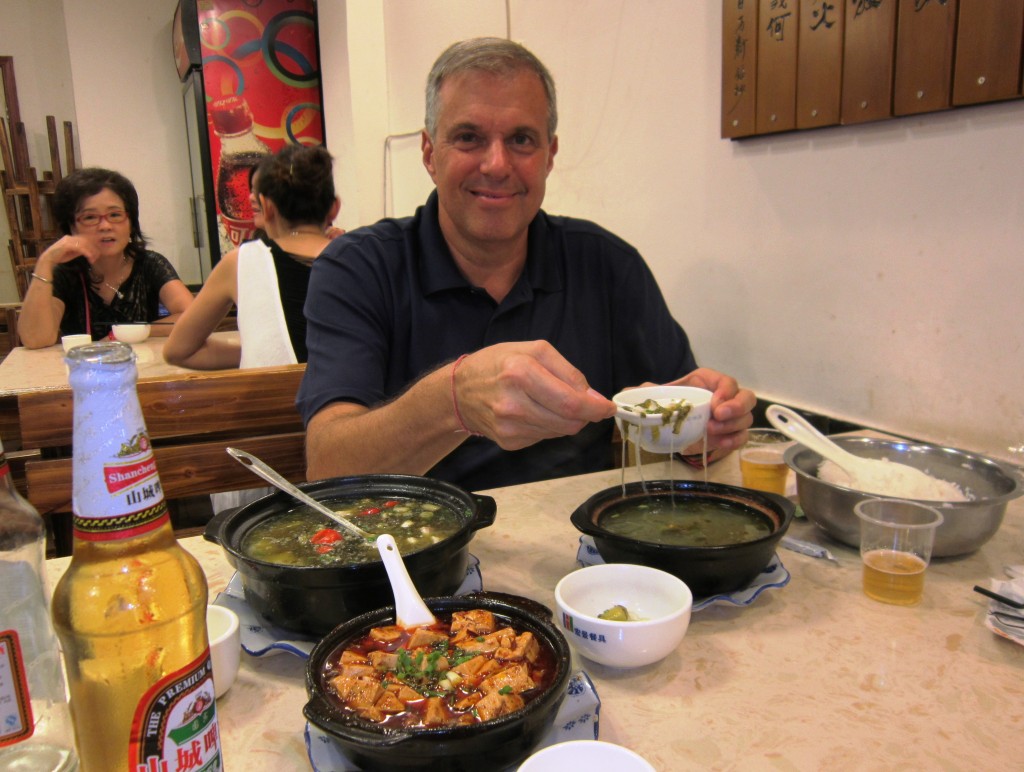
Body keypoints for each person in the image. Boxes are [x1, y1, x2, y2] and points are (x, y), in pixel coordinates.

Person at [298, 37, 755, 491]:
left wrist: (702, 429)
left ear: (550, 155)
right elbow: (328, 468)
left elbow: (670, 443)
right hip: (413, 550)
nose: (497, 165)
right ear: (429, 153)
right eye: (469, 137)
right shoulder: (359, 268)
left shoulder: (607, 264)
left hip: (581, 548)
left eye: (521, 139)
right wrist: (452, 401)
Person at [163, 144, 340, 369]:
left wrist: (258, 354)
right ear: (334, 208)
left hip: (276, 400)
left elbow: (178, 351)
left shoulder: (241, 263)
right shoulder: (362, 258)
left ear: (265, 207)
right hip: (365, 399)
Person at [18, 167, 193, 348]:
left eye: (115, 215)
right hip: (82, 372)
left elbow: (194, 319)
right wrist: (45, 262)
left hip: (143, 369)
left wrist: (121, 336)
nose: (105, 226)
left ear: (131, 222)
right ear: (71, 226)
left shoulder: (150, 263)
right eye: (90, 217)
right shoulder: (64, 272)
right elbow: (35, 339)